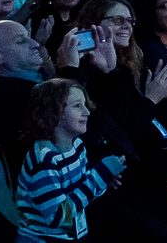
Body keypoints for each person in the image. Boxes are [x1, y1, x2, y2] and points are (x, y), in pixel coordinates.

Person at [12, 79, 124, 243]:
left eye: (85, 104)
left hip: (68, 235)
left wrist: (103, 181)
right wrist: (98, 177)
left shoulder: (77, 146)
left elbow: (80, 194)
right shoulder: (44, 160)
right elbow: (58, 217)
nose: (87, 112)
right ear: (54, 112)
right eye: (78, 106)